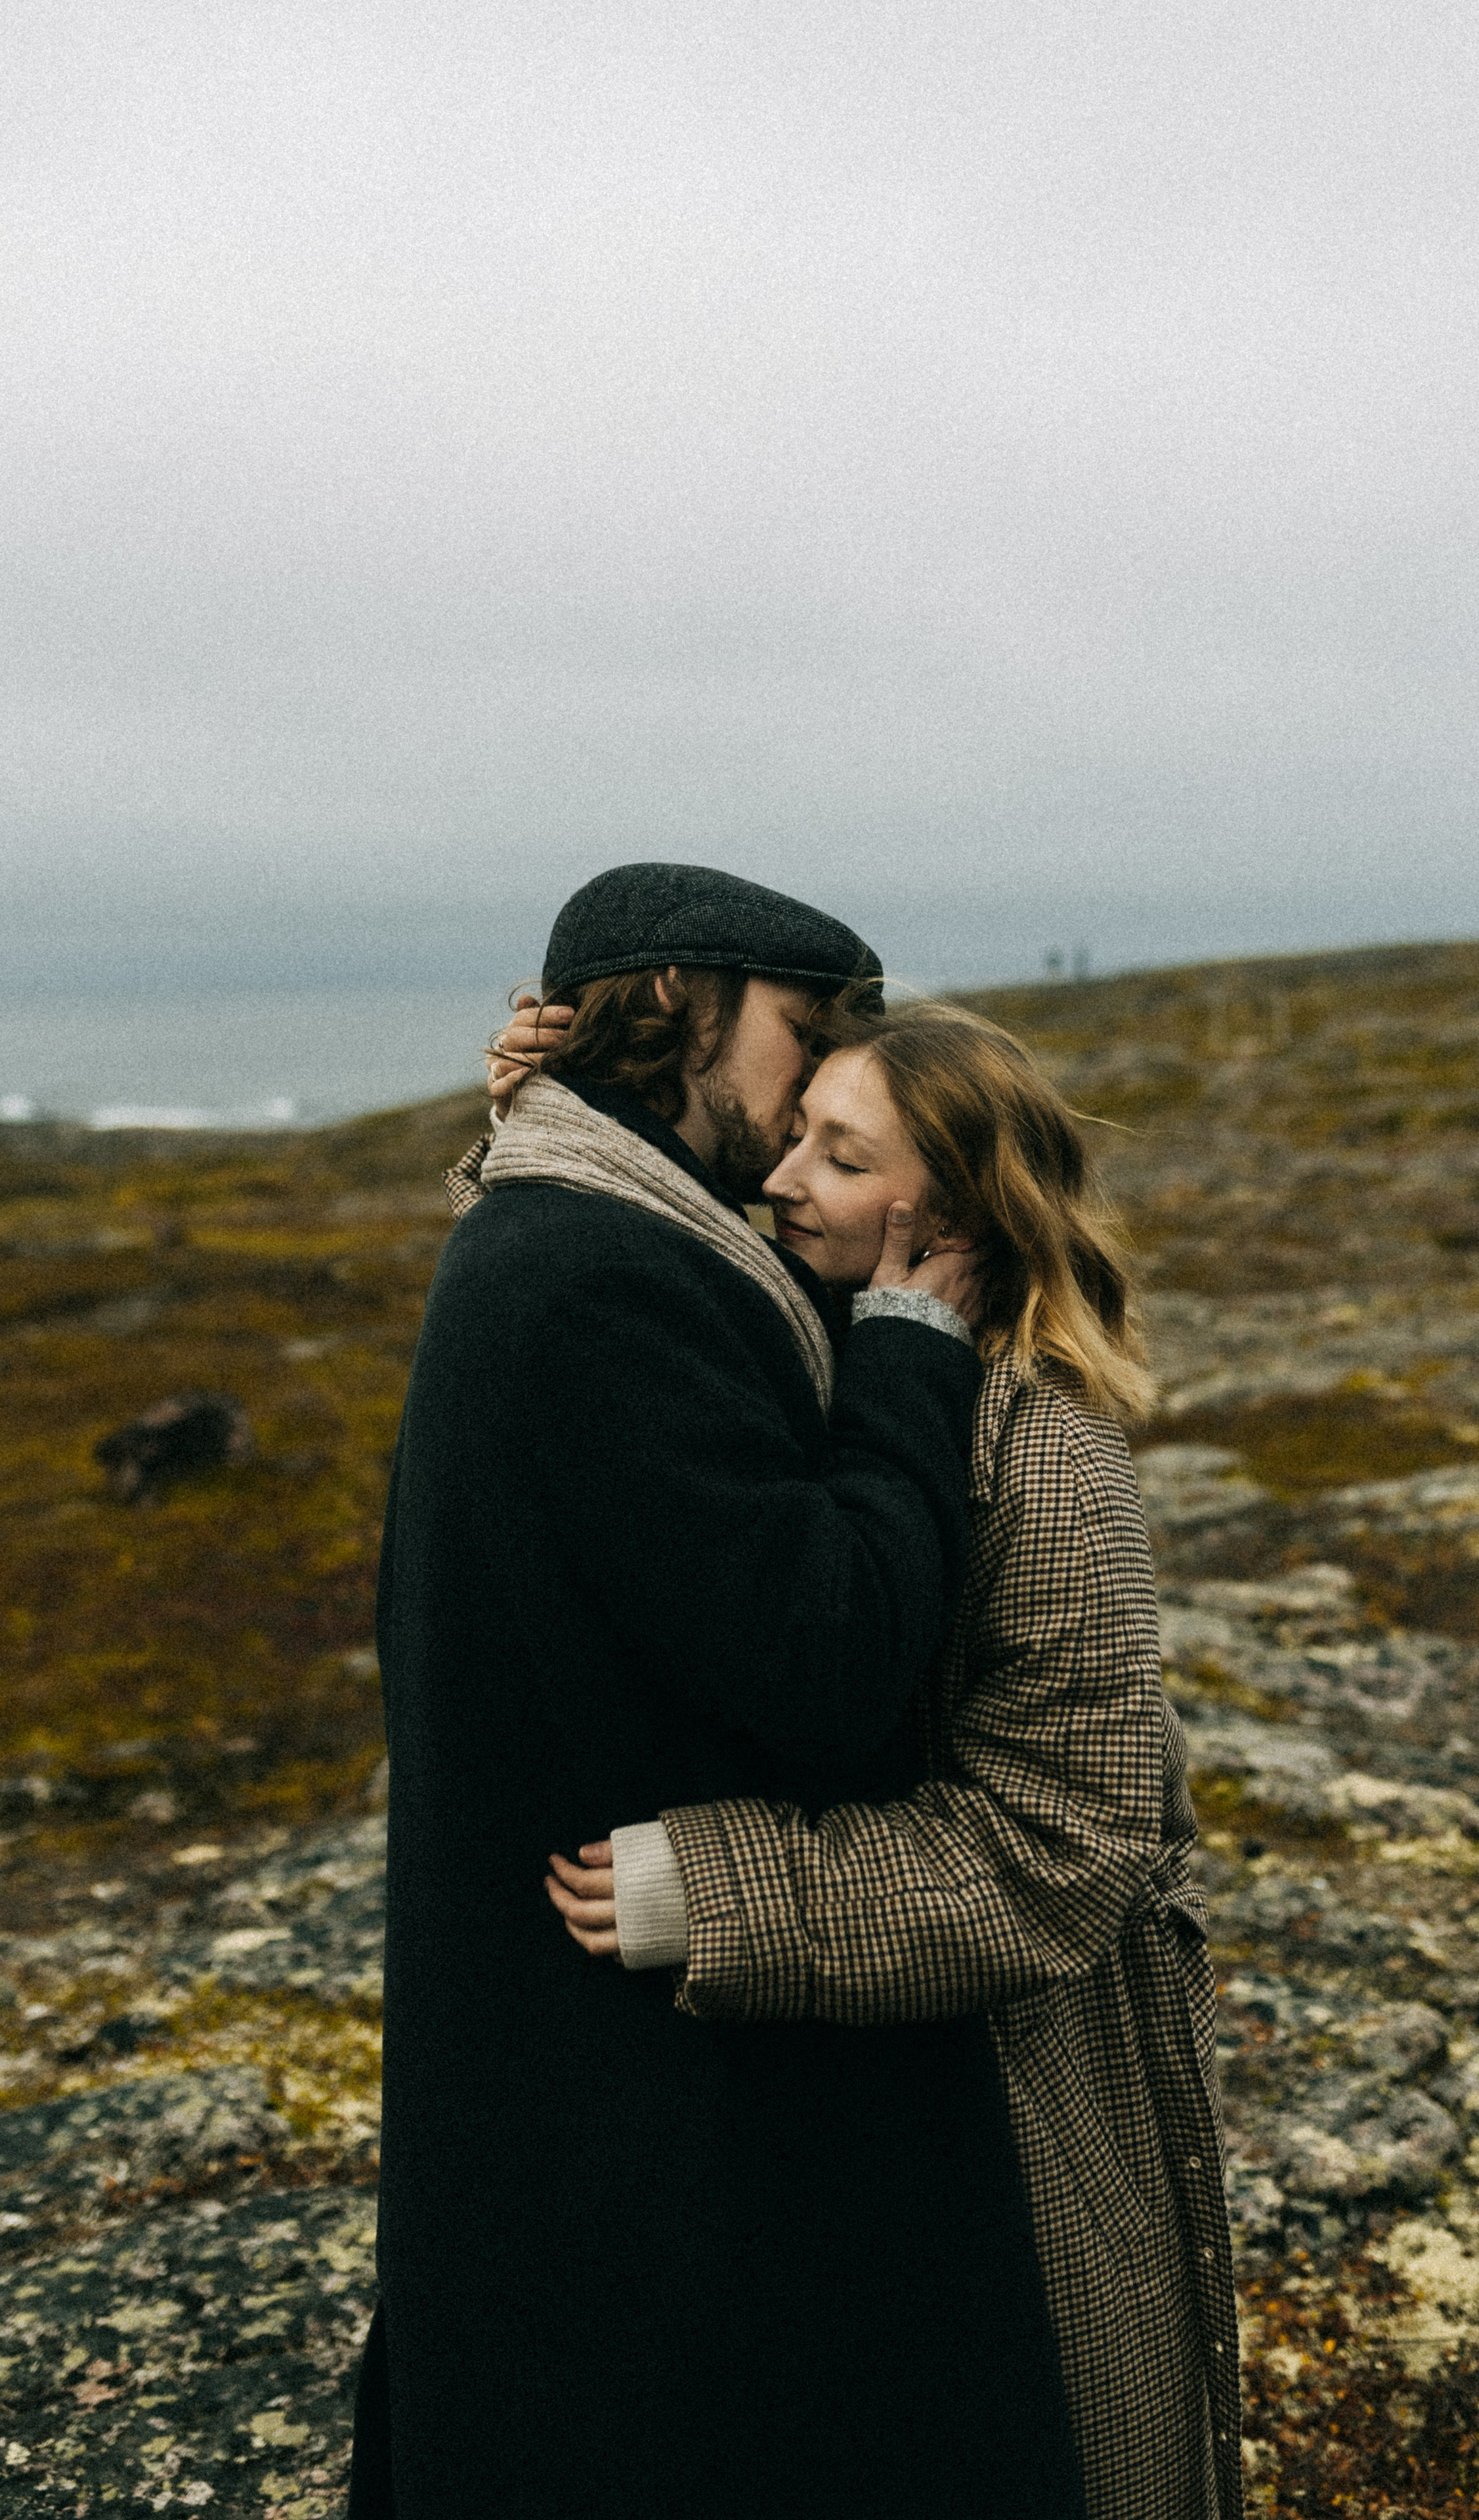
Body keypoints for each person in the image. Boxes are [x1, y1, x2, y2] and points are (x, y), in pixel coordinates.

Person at [348, 864, 1084, 2520]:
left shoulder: (581, 1228)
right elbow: (828, 1656)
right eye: (802, 1031)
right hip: (645, 2090)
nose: (810, 1085)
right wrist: (910, 1345)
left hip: (623, 2055)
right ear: (679, 998)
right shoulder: (601, 1275)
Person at [541, 1001, 1245, 2520]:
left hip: (1019, 2093)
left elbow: (1065, 1840)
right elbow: (601, 1262)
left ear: (956, 1222)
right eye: (795, 1131)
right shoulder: (811, 1348)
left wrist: (723, 1894)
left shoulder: (1041, 1451)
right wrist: (552, 1094)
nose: (780, 1177)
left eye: (841, 1158)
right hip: (857, 2090)